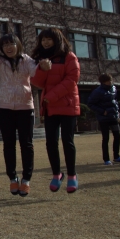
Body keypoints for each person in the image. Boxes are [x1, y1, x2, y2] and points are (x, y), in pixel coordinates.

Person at [0, 28, 50, 196]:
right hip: (5, 109)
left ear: (18, 44)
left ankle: (26, 179)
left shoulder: (27, 60)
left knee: (26, 144)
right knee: (8, 144)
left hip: (25, 108)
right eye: (5, 45)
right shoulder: (1, 62)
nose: (8, 47)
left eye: (11, 43)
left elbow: (35, 72)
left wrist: (44, 67)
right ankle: (12, 178)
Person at [31, 28, 80, 193]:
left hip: (67, 105)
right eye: (43, 39)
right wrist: (42, 69)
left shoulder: (69, 56)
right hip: (50, 107)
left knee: (67, 141)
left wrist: (51, 96)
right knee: (51, 142)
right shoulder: (41, 59)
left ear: (57, 40)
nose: (45, 42)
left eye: (49, 39)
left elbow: (72, 80)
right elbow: (38, 83)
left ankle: (72, 175)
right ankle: (57, 174)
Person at [88, 73, 120, 165]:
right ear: (103, 82)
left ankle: (116, 156)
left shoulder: (114, 88)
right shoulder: (98, 91)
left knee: (117, 135)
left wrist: (117, 111)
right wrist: (102, 111)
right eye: (108, 81)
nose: (110, 82)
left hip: (113, 116)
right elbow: (91, 104)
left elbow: (114, 101)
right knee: (106, 138)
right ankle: (106, 159)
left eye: (111, 80)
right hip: (103, 118)